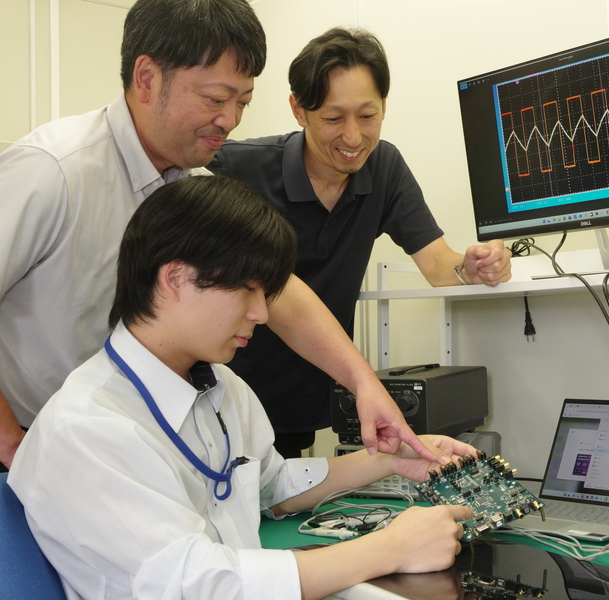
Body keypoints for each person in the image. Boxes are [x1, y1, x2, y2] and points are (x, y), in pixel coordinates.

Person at [0, 1, 433, 471]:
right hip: (32, 453)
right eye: (215, 99)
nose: (231, 120)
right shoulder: (54, 172)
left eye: (242, 102)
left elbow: (282, 295)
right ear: (147, 78)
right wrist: (10, 445)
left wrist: (363, 382)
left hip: (131, 457)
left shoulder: (194, 185)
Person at [8, 175, 475, 600]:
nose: (263, 313)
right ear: (175, 278)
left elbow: (269, 485)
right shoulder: (86, 429)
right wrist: (389, 548)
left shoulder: (221, 386)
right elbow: (199, 585)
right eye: (247, 289)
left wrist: (391, 460)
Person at [208, 27, 514, 458]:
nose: (353, 138)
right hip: (223, 401)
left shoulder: (384, 167)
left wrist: (472, 267)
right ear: (299, 110)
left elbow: (438, 263)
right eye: (333, 119)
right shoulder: (235, 169)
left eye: (367, 116)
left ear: (384, 106)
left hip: (304, 402)